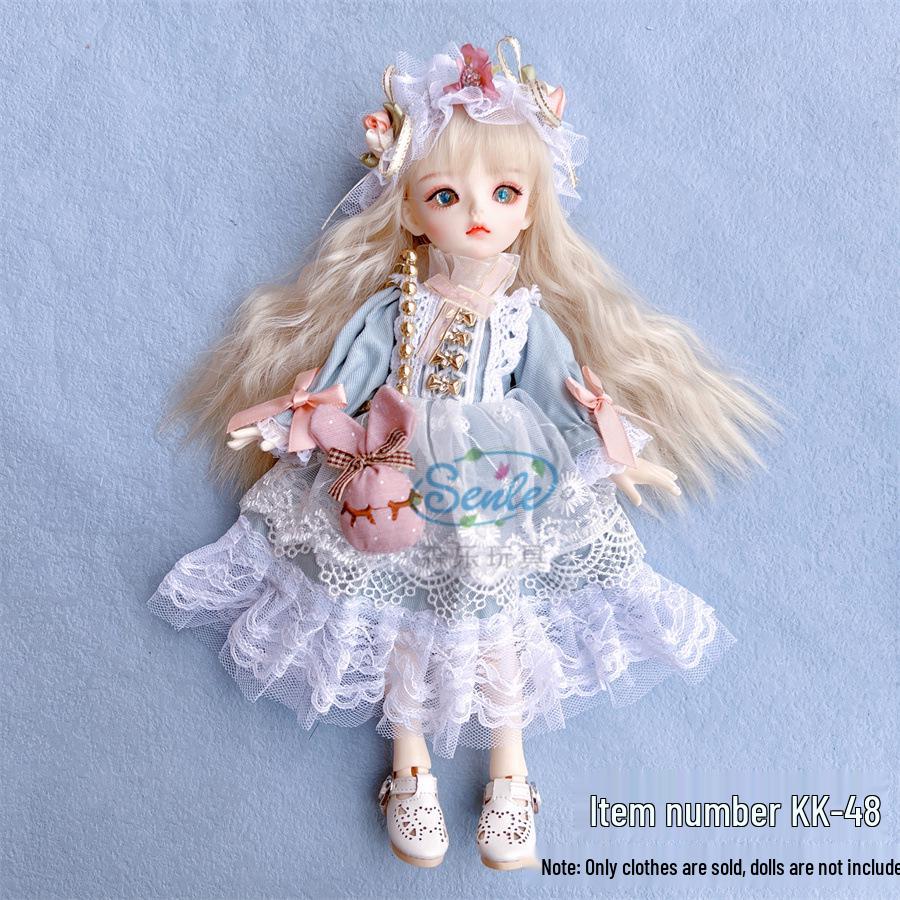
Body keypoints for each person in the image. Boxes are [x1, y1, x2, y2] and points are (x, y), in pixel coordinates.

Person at [149, 37, 776, 870]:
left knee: (498, 625)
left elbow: (560, 396)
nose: (478, 212)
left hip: (497, 484)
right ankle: (408, 770)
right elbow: (344, 383)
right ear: (411, 210)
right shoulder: (394, 307)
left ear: (532, 207)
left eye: (504, 192)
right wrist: (284, 425)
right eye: (447, 194)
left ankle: (511, 777)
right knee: (402, 621)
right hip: (397, 475)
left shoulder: (525, 317)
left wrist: (618, 455)